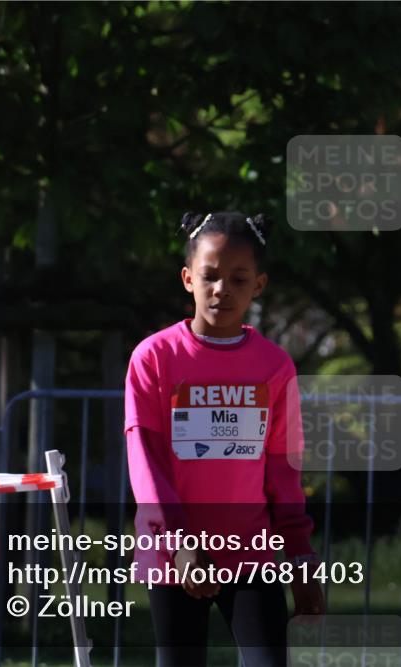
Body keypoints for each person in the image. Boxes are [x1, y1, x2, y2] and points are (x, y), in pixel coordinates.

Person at [124, 211, 325, 667]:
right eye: (210, 276)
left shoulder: (275, 366)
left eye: (238, 279)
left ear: (259, 285)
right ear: (187, 278)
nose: (222, 289)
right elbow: (146, 462)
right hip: (174, 556)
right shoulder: (153, 358)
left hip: (250, 553)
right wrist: (179, 544)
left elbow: (283, 471)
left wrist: (300, 555)